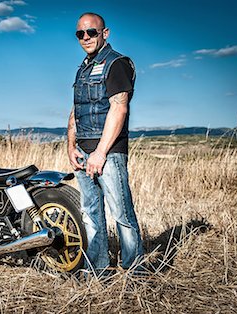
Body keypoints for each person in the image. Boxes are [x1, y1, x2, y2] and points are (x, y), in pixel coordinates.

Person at [67, 12, 143, 276]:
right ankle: (96, 267)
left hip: (108, 152)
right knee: (90, 213)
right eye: (80, 34)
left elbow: (118, 108)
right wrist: (71, 146)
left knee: (121, 213)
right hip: (83, 151)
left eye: (91, 32)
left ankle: (135, 272)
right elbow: (77, 109)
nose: (86, 37)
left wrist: (100, 152)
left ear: (105, 33)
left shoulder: (116, 64)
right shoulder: (83, 68)